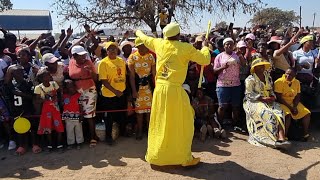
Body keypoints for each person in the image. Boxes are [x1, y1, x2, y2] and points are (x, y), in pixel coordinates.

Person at [135, 22, 210, 166]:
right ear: (178, 34)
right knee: (183, 123)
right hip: (175, 91)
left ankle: (157, 157)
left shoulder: (159, 43)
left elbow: (144, 38)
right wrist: (205, 46)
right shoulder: (185, 48)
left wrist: (137, 31)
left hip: (160, 90)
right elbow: (205, 60)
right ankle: (183, 158)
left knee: (161, 124)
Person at [243, 58, 290, 149]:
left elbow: (271, 90)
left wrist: (272, 97)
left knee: (279, 113)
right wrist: (262, 98)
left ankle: (281, 138)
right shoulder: (250, 79)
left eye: (263, 65)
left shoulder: (267, 77)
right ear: (254, 68)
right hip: (254, 101)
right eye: (259, 66)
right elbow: (249, 94)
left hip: (268, 100)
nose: (262, 67)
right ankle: (271, 141)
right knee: (268, 114)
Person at [213, 38, 245, 130]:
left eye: (231, 44)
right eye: (227, 44)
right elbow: (214, 71)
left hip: (236, 85)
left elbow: (244, 65)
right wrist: (222, 67)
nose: (229, 46)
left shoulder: (237, 55)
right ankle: (220, 125)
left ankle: (235, 125)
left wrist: (241, 56)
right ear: (224, 46)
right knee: (222, 107)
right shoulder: (219, 56)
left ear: (234, 45)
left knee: (235, 107)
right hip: (222, 85)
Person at [98, 42, 127, 145]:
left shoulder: (121, 61)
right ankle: (108, 137)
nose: (113, 50)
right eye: (110, 49)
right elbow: (104, 81)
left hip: (121, 92)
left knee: (121, 114)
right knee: (109, 117)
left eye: (114, 48)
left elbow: (124, 76)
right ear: (107, 51)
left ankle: (122, 133)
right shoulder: (103, 63)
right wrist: (115, 91)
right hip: (109, 94)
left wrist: (122, 91)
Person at [69, 45, 98, 147]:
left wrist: (90, 71)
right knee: (79, 114)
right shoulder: (71, 62)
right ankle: (82, 138)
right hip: (76, 92)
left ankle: (93, 137)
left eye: (84, 55)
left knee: (89, 115)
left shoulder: (88, 62)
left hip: (88, 90)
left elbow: (96, 78)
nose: (83, 57)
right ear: (74, 56)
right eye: (80, 56)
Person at [127, 37, 155, 140]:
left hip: (148, 88)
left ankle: (149, 130)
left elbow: (154, 74)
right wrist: (134, 91)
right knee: (139, 112)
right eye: (144, 46)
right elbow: (132, 76)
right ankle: (139, 131)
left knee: (148, 111)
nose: (146, 48)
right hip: (138, 88)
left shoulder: (151, 57)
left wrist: (156, 88)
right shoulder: (132, 58)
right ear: (139, 47)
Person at [274, 67, 311, 141]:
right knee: (288, 115)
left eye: (290, 75)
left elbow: (298, 96)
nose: (288, 76)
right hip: (282, 103)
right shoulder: (279, 82)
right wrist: (291, 108)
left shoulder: (296, 82)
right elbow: (279, 98)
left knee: (307, 113)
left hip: (293, 103)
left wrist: (294, 106)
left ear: (295, 75)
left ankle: (305, 134)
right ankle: (285, 136)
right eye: (287, 74)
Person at [35, 69, 64, 152]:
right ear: (41, 78)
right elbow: (37, 100)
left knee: (59, 127)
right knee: (47, 127)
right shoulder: (38, 88)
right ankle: (50, 145)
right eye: (46, 76)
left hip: (56, 109)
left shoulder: (54, 84)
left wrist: (59, 100)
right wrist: (45, 99)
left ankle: (59, 144)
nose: (49, 77)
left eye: (49, 75)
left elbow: (59, 94)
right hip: (46, 110)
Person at [62, 79, 84, 149]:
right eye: (69, 87)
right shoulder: (64, 96)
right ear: (66, 88)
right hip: (68, 117)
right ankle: (71, 143)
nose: (71, 88)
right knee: (69, 130)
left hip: (77, 116)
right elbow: (62, 106)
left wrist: (81, 114)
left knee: (78, 130)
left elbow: (81, 106)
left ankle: (79, 142)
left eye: (72, 86)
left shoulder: (79, 95)